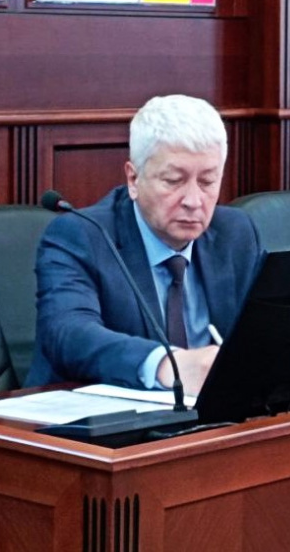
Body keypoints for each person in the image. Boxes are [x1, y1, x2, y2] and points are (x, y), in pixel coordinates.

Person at [24, 95, 264, 395]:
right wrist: (168, 365)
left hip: (212, 415)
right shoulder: (81, 235)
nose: (193, 201)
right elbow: (69, 333)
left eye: (207, 182)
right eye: (173, 180)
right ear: (134, 179)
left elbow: (267, 330)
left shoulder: (235, 233)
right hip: (95, 416)